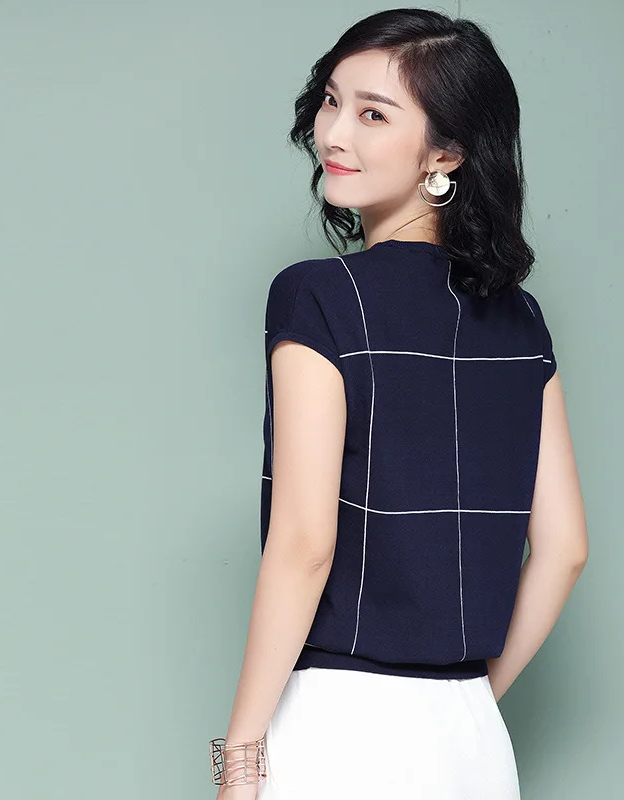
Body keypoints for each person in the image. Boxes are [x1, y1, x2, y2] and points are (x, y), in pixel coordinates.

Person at [211, 9, 588, 800]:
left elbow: (305, 543)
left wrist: (239, 758)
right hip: (474, 744)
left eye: (374, 115)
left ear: (446, 152)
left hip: (335, 731)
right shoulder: (521, 322)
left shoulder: (318, 296)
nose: (334, 134)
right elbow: (563, 550)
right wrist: (469, 702)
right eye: (332, 101)